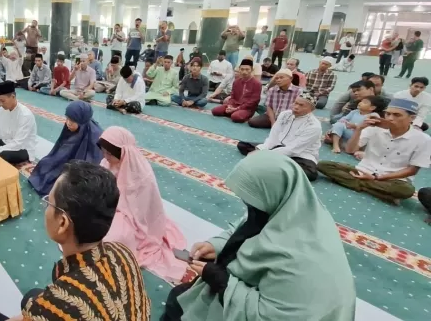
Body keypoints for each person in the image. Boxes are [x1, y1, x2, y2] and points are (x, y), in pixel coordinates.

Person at [163, 151, 355, 321]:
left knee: (178, 304)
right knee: (180, 297)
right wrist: (217, 245)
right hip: (254, 296)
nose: (248, 206)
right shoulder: (293, 209)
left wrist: (223, 282)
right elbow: (244, 226)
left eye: (251, 199)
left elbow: (271, 316)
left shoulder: (300, 258)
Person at [18, 161, 150, 320]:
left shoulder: (57, 305)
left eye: (49, 203)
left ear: (62, 223)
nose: (45, 208)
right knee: (32, 296)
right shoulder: (123, 252)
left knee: (30, 298)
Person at [98, 127, 188, 283]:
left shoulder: (141, 175)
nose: (105, 157)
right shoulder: (106, 162)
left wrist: (110, 209)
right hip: (111, 207)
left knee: (110, 237)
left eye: (109, 153)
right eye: (103, 152)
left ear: (122, 153)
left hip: (132, 219)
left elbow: (140, 212)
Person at [318, 98, 431, 204]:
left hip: (393, 179)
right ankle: (379, 192)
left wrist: (377, 178)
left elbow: (412, 170)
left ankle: (358, 184)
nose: (390, 118)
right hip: (363, 171)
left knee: (406, 190)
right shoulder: (374, 128)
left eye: (397, 115)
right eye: (388, 114)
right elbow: (350, 150)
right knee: (323, 165)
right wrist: (359, 129)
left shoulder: (423, 140)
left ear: (411, 118)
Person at [237, 91, 322, 181]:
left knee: (310, 173)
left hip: (300, 156)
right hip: (278, 147)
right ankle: (276, 165)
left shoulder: (313, 126)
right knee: (243, 145)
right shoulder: (285, 114)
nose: (296, 107)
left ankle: (271, 163)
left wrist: (264, 155)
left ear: (311, 109)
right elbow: (273, 137)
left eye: (301, 105)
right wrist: (261, 149)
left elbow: (293, 149)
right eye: (295, 103)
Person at [28, 102, 102, 195]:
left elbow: (93, 165)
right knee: (45, 165)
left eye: (72, 120)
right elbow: (61, 149)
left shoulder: (95, 136)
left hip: (82, 169)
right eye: (67, 118)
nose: (68, 123)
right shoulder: (73, 126)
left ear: (81, 120)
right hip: (68, 160)